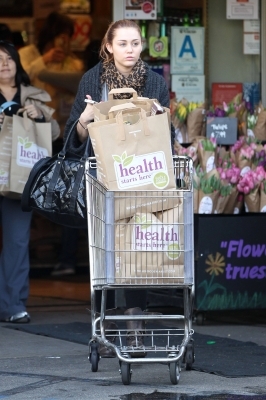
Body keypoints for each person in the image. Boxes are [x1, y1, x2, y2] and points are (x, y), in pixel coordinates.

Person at [63, 19, 174, 356]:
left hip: (141, 177)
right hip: (104, 179)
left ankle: (135, 327)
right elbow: (74, 137)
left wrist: (160, 116)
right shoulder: (93, 79)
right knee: (106, 254)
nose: (130, 50)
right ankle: (107, 326)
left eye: (135, 43)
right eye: (122, 43)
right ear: (108, 46)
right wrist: (87, 115)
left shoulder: (154, 82)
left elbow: (165, 138)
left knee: (137, 249)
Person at [18, 12, 85, 277]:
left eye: (68, 36)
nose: (64, 42)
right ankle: (25, 258)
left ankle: (67, 258)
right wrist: (43, 62)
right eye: (61, 34)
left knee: (70, 193)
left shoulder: (73, 61)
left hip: (65, 134)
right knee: (26, 192)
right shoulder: (26, 55)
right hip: (32, 136)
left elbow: (79, 82)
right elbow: (20, 79)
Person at [0, 41, 60, 323]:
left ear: (17, 63)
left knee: (17, 242)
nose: (4, 63)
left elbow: (57, 132)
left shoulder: (34, 96)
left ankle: (13, 305)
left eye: (9, 58)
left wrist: (41, 115)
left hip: (20, 179)